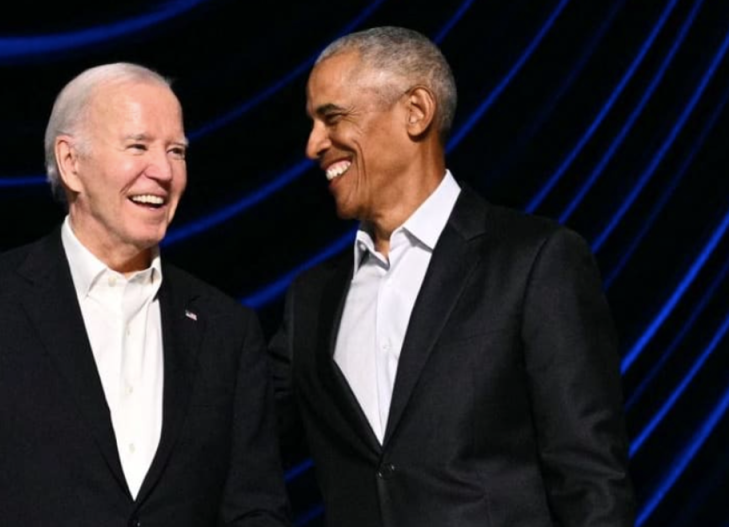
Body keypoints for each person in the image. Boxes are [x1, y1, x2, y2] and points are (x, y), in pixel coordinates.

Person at [0, 63, 290, 527]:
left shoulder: (227, 331)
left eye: (176, 151)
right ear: (71, 162)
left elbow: (257, 512)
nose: (162, 171)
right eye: (138, 146)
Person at [269, 27, 635, 526]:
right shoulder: (311, 301)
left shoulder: (534, 262)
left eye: (332, 117)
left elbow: (590, 480)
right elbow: (234, 435)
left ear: (416, 112)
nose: (313, 144)